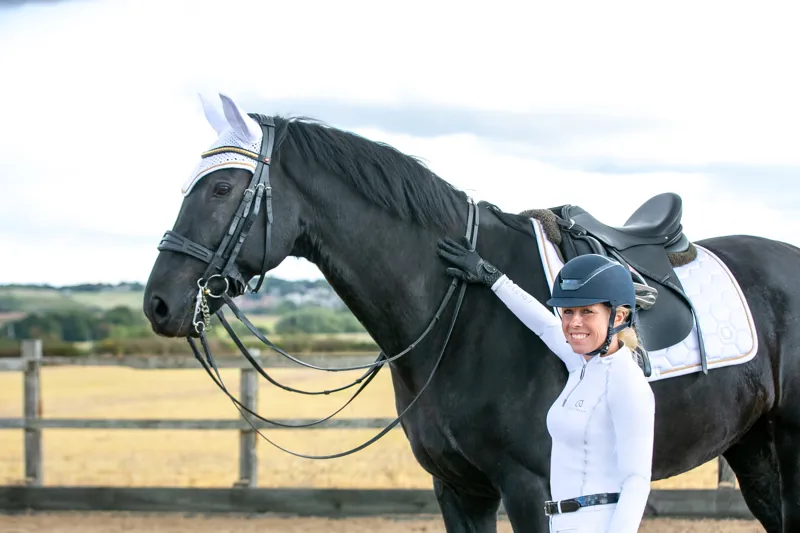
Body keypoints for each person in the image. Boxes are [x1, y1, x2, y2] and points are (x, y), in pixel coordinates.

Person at [436, 236, 656, 533]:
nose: (574, 323)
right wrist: (492, 277)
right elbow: (543, 324)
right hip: (560, 523)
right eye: (568, 312)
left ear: (618, 316)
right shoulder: (581, 364)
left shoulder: (627, 382)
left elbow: (636, 481)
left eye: (587, 311)